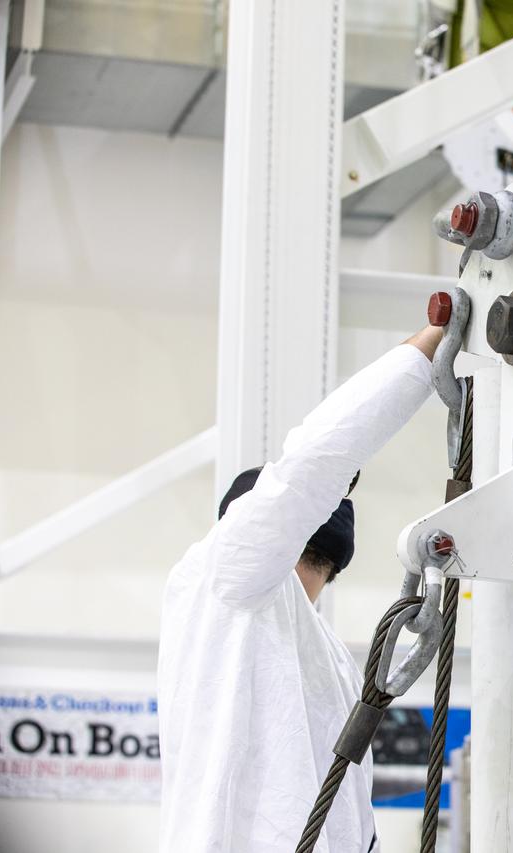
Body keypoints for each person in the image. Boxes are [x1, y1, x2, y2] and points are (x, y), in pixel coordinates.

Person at [157, 320, 444, 853]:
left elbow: (344, 798)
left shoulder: (313, 644)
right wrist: (427, 346)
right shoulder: (225, 572)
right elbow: (312, 467)